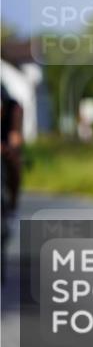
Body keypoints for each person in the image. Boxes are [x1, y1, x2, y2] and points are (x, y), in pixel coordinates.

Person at [1, 86, 24, 284]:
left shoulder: (12, 106)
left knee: (15, 163)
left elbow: (16, 134)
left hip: (5, 144)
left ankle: (13, 201)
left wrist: (12, 146)